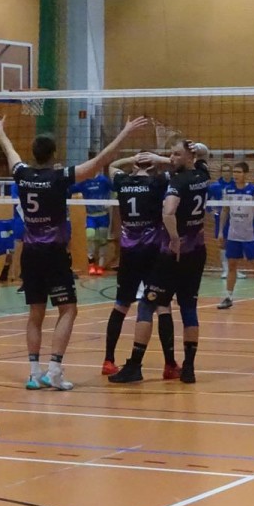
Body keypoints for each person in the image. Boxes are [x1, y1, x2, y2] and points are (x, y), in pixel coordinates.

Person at [0, 112, 149, 390]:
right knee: (68, 310)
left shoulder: (22, 175)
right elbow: (100, 161)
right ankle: (54, 370)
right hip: (53, 254)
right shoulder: (59, 177)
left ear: (34, 154)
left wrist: (0, 130)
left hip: (30, 253)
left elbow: (10, 152)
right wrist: (125, 132)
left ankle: (34, 373)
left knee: (35, 313)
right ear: (54, 155)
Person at [118, 140, 211, 384]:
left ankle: (135, 365)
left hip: (172, 255)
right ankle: (188, 368)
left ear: (188, 157)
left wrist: (174, 238)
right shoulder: (202, 175)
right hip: (197, 252)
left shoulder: (177, 182)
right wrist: (194, 148)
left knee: (147, 305)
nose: (172, 158)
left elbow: (168, 212)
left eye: (176, 154)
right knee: (188, 308)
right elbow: (204, 154)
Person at [105, 152, 179, 381]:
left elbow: (112, 165)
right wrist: (159, 159)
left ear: (135, 166)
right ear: (153, 167)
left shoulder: (122, 181)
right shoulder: (158, 182)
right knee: (162, 305)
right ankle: (170, 364)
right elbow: (177, 167)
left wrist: (131, 159)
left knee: (121, 304)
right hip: (153, 251)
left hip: (129, 252)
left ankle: (108, 360)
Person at [217, 162, 254, 311]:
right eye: (234, 172)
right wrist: (221, 232)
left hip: (250, 236)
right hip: (233, 235)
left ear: (246, 174)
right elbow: (224, 210)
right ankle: (228, 297)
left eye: (239, 172)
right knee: (232, 265)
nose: (235, 175)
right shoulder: (228, 190)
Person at [69, 170, 114, 275]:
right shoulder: (84, 182)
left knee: (102, 240)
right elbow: (71, 189)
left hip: (103, 215)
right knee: (90, 236)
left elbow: (116, 189)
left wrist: (111, 201)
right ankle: (91, 264)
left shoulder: (103, 180)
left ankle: (101, 266)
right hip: (90, 216)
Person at [208, 162, 233, 278]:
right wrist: (211, 211)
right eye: (224, 171)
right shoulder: (215, 186)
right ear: (221, 172)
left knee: (234, 243)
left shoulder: (236, 185)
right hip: (221, 218)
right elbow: (206, 200)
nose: (226, 173)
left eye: (228, 171)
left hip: (235, 218)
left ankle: (234, 269)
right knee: (222, 242)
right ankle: (225, 269)